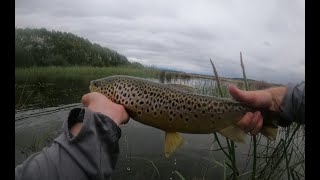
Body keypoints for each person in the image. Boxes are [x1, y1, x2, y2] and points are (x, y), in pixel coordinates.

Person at [15, 82, 305, 179]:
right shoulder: (122, 90)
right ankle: (269, 121)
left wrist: (280, 103)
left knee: (256, 122)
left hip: (221, 115)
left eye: (98, 86)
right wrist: (283, 100)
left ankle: (269, 122)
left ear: (113, 90)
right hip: (207, 119)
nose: (94, 88)